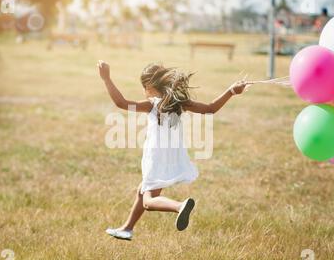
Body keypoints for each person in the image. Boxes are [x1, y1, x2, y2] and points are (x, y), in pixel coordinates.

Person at [98, 61, 249, 240]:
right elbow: (210, 109)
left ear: (150, 86)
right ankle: (127, 228)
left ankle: (179, 206)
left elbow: (121, 103)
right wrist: (231, 91)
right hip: (173, 156)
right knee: (142, 190)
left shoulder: (152, 104)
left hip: (156, 157)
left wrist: (106, 78)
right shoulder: (180, 103)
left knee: (148, 202)